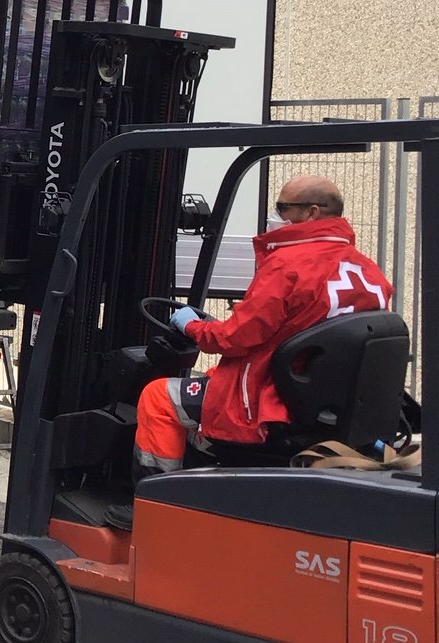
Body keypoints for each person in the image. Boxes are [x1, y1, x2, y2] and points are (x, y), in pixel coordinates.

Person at [111, 176, 393, 528]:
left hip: (270, 399)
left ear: (311, 213)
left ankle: (155, 509)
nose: (274, 216)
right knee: (209, 384)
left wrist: (190, 325)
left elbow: (232, 339)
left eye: (281, 208)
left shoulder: (288, 266)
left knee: (159, 397)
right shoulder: (367, 269)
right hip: (327, 402)